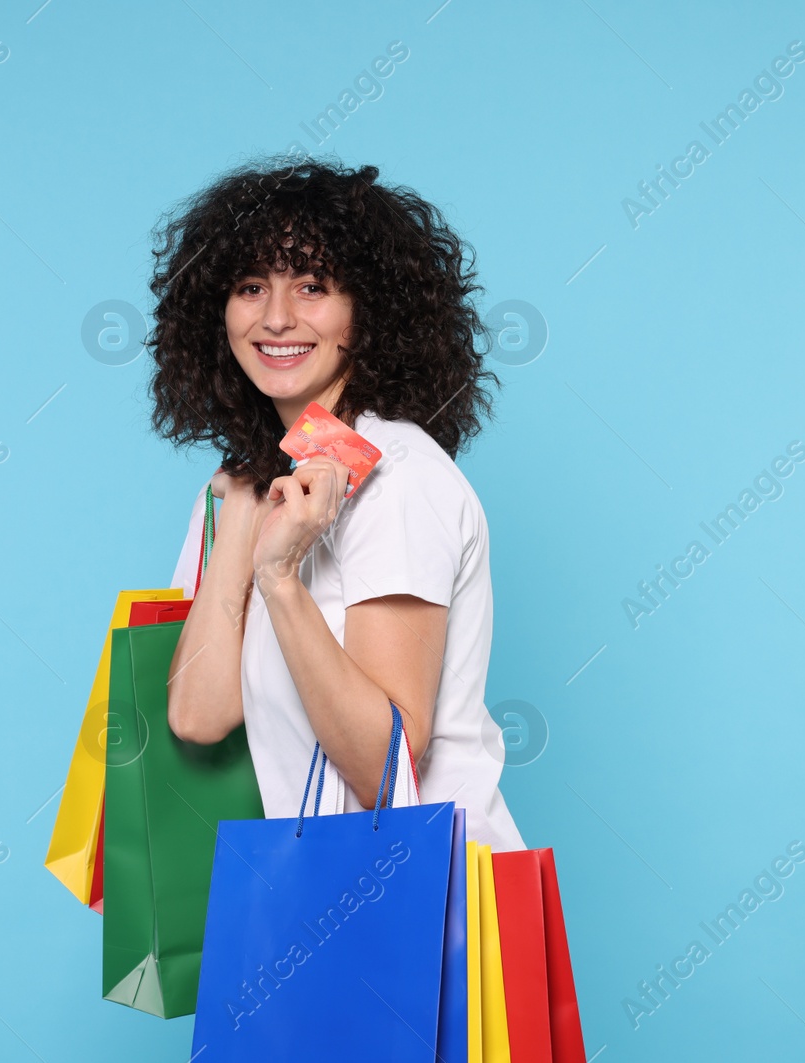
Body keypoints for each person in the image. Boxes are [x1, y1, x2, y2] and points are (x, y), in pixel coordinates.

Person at [146, 156, 524, 851]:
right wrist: (243, 524)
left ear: (368, 310)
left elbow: (387, 772)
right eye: (251, 286)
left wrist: (282, 580)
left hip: (432, 902)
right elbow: (199, 716)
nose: (278, 317)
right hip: (320, 892)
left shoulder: (400, 475)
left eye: (313, 285)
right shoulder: (247, 484)